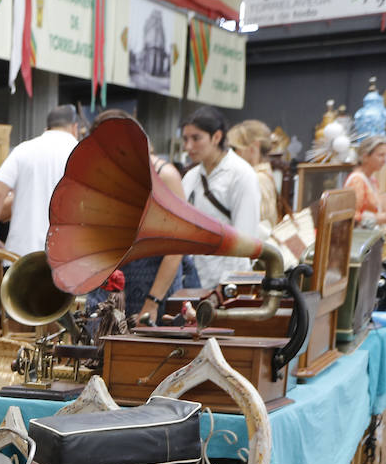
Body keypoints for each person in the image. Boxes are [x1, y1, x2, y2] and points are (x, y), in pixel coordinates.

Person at [83, 110, 186, 324]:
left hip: (153, 288)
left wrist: (153, 302)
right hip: (111, 284)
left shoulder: (165, 176)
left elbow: (176, 248)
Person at [0, 105, 79, 260]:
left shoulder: (22, 150)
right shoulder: (81, 152)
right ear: (74, 128)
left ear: (47, 128)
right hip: (68, 260)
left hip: (20, 258)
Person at [180, 106, 262, 291]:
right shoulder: (190, 177)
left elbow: (245, 239)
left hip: (226, 285)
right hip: (193, 280)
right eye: (185, 139)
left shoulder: (241, 174)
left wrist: (229, 287)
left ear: (216, 137)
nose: (188, 146)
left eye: (196, 138)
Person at [227, 119, 279, 230]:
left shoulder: (256, 179)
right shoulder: (263, 175)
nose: (231, 154)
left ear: (253, 148)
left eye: (235, 148)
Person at [344, 137, 386, 230]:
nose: (385, 160)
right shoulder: (357, 180)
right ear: (365, 157)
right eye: (381, 155)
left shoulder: (372, 179)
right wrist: (383, 217)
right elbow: (352, 219)